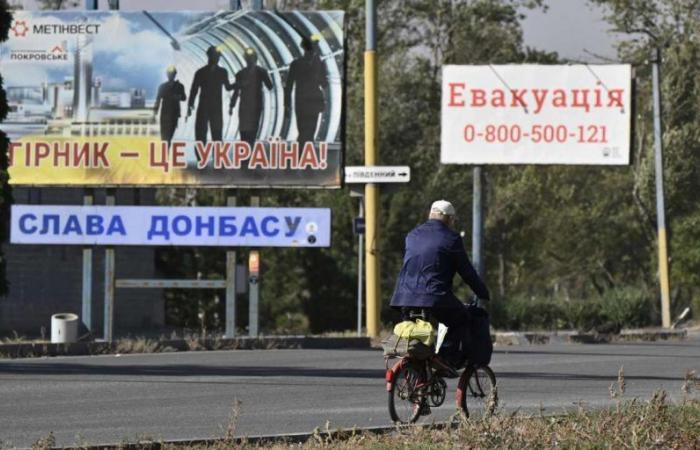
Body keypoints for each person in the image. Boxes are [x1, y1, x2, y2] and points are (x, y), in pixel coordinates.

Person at [390, 200, 490, 373]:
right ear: (449, 219)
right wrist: (483, 292)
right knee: (460, 319)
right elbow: (466, 272)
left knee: (416, 330)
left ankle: (419, 372)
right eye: (453, 220)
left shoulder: (412, 235)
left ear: (431, 215)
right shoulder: (451, 238)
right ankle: (445, 359)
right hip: (435, 296)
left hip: (403, 297)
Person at [284, 35, 326, 144]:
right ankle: (304, 156)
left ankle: (303, 156)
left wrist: (287, 105)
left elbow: (288, 86)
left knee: (307, 132)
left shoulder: (298, 64)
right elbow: (324, 83)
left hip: (307, 102)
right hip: (308, 102)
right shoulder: (301, 64)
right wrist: (287, 105)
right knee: (306, 132)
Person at [188, 46, 234, 144]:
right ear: (210, 56)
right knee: (202, 134)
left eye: (217, 56)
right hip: (209, 107)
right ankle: (203, 157)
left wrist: (190, 104)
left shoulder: (202, 72)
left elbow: (228, 87)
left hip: (210, 107)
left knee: (214, 134)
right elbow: (194, 90)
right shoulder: (218, 72)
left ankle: (214, 157)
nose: (217, 58)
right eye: (215, 56)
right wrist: (190, 104)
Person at [229, 47, 273, 147]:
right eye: (249, 58)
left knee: (251, 130)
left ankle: (248, 149)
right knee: (245, 129)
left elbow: (269, 86)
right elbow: (236, 91)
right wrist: (232, 105)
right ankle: (246, 149)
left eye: (251, 58)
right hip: (247, 106)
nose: (250, 60)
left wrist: (232, 105)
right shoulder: (242, 74)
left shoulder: (260, 72)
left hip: (253, 106)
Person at [153, 65, 187, 147]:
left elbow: (184, 97)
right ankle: (165, 155)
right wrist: (154, 113)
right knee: (164, 137)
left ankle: (165, 154)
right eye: (169, 73)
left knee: (169, 137)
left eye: (172, 73)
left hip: (173, 115)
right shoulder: (162, 86)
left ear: (175, 74)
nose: (170, 75)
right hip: (165, 115)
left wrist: (178, 97)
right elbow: (158, 100)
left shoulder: (179, 86)